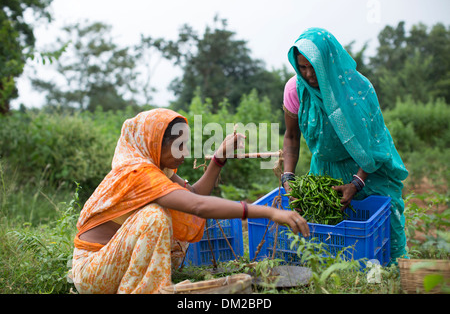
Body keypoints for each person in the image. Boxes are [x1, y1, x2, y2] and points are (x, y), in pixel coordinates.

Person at [71, 108, 309, 294]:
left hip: (117, 268)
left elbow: (194, 195)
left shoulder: (158, 169)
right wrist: (268, 212)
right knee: (154, 216)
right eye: (179, 146)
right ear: (155, 144)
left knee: (170, 213)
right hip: (94, 273)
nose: (184, 153)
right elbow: (198, 206)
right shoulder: (138, 173)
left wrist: (218, 159)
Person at [281, 28, 409, 263]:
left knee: (384, 230)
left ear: (327, 62)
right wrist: (287, 176)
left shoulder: (356, 88)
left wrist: (357, 182)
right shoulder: (295, 90)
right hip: (325, 168)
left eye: (314, 67)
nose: (309, 75)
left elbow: (374, 141)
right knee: (331, 238)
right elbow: (291, 137)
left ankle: (389, 276)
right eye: (302, 67)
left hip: (367, 164)